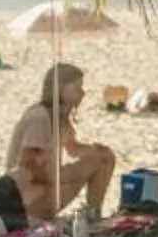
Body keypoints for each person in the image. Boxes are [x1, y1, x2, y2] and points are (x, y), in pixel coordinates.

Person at [6, 62, 116, 223]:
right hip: (25, 200)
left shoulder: (59, 117)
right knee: (96, 162)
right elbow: (28, 168)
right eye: (77, 88)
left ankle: (94, 214)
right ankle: (93, 217)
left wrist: (94, 150)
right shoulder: (40, 117)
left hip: (42, 188)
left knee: (104, 158)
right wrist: (64, 175)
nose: (83, 93)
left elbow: (72, 149)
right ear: (61, 88)